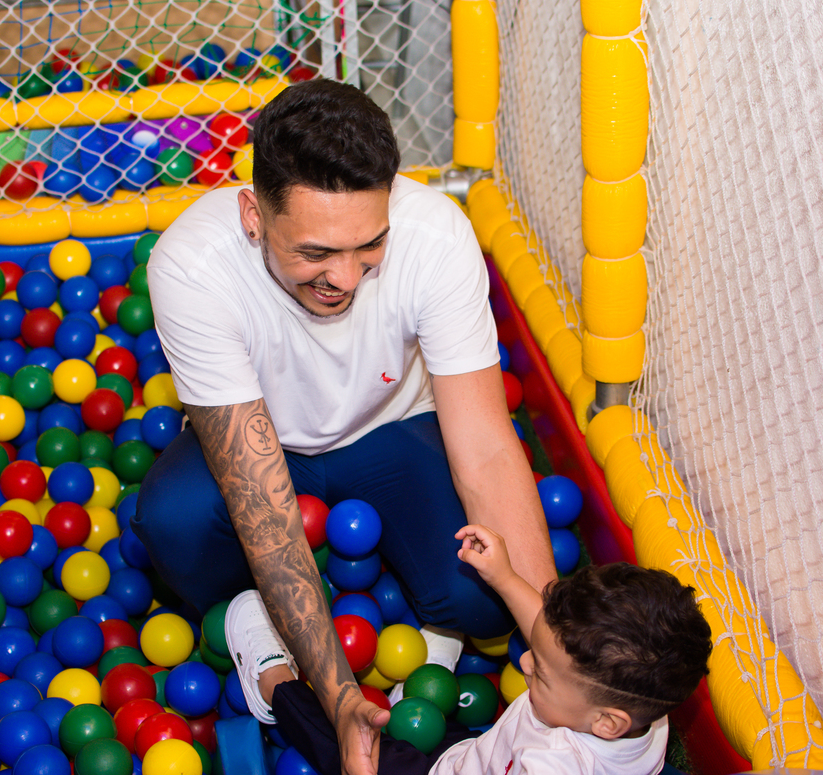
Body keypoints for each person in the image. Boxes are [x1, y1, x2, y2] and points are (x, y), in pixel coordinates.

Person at [132, 78, 557, 775]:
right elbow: (261, 506)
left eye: (368, 247)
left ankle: (426, 608)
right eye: (315, 254)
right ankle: (248, 620)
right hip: (265, 446)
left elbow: (485, 447)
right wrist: (338, 698)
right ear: (252, 215)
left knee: (484, 604)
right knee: (175, 522)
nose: (347, 279)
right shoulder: (192, 265)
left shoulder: (436, 234)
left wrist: (554, 643)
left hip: (391, 430)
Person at [223, 524, 714, 775]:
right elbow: (549, 633)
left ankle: (276, 689)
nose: (524, 661)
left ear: (606, 723)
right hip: (473, 751)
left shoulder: (556, 764)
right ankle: (416, 696)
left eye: (539, 673)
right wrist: (505, 578)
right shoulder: (644, 701)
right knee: (442, 721)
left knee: (349, 745)